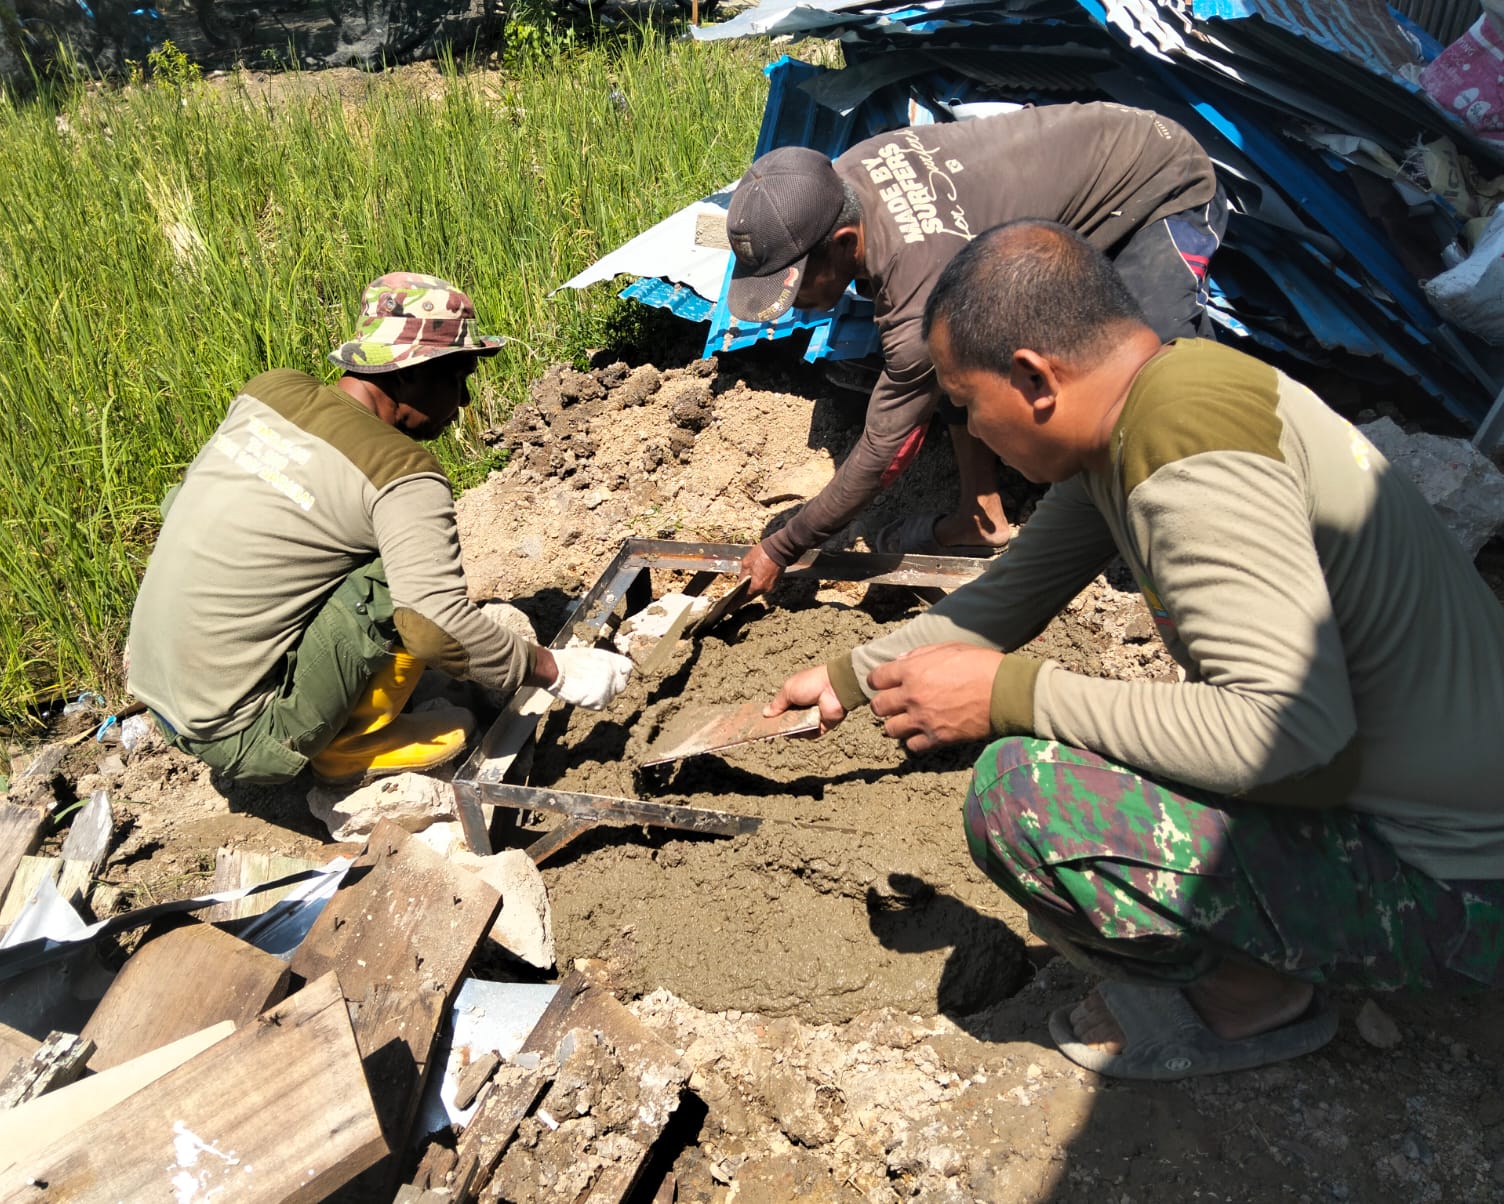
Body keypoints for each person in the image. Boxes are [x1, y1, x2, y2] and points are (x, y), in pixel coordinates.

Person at [765, 221, 1504, 1079]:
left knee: (1025, 797)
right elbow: (1008, 598)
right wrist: (847, 678)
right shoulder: (1155, 408)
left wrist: (1011, 694)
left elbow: (1291, 731)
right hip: (1404, 797)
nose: (970, 428)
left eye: (966, 404)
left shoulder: (1185, 456)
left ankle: (1253, 1000)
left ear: (1035, 379)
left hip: (1457, 883)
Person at [128, 273, 633, 786]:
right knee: (399, 581)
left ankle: (326, 696)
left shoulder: (271, 391)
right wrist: (555, 671)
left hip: (158, 694)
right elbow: (434, 627)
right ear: (411, 371)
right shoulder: (402, 473)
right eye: (457, 377)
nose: (462, 401)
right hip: (247, 737)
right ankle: (348, 743)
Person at [724, 102, 1226, 597]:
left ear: (842, 242)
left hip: (1158, 179)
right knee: (951, 349)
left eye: (796, 284)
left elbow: (885, 450)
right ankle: (979, 514)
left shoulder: (918, 277)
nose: (793, 303)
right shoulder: (845, 179)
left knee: (1153, 377)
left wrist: (785, 545)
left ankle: (1211, 536)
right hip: (1066, 187)